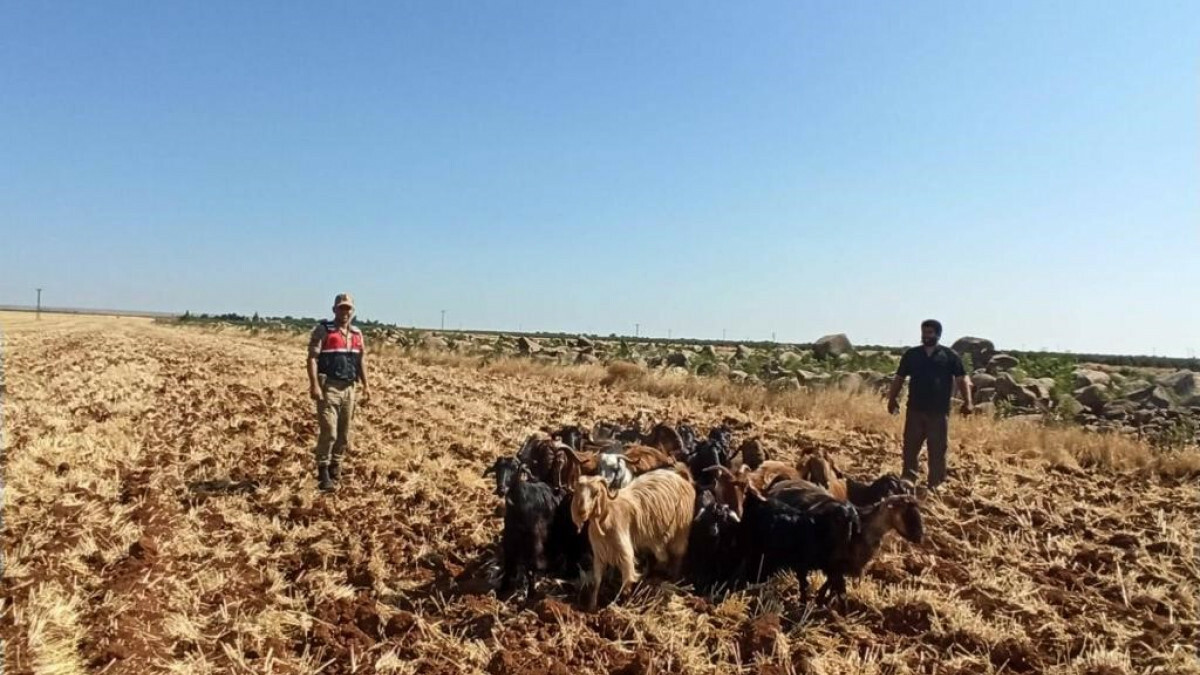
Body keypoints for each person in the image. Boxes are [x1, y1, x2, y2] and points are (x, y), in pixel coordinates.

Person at [886, 319, 971, 490]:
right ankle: (908, 481)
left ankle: (936, 484)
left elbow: (962, 378)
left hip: (938, 412)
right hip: (915, 409)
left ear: (938, 334)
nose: (926, 336)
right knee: (910, 448)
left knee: (938, 450)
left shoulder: (949, 356)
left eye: (930, 333)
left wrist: (968, 402)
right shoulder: (912, 355)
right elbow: (899, 378)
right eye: (924, 333)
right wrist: (892, 398)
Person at [308, 293, 370, 491]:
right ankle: (323, 471)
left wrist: (366, 386)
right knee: (329, 431)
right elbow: (312, 359)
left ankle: (336, 467)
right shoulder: (323, 330)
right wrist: (314, 385)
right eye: (341, 308)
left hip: (350, 388)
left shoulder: (357, 334)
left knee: (343, 434)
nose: (345, 312)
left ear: (352, 311)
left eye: (348, 308)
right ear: (334, 309)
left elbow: (361, 361)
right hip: (329, 388)